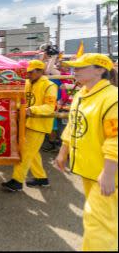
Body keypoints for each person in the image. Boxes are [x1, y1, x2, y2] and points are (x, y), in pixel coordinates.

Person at [55, 54, 117, 251]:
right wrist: (63, 152)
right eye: (74, 67)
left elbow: (115, 139)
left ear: (100, 70)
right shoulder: (82, 94)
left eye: (81, 67)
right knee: (106, 220)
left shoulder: (113, 98)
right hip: (89, 169)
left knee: (97, 224)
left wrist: (108, 173)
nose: (76, 70)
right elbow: (73, 126)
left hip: (108, 173)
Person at [2, 60, 57, 192]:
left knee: (25, 153)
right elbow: (21, 101)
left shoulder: (50, 86)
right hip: (25, 123)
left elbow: (50, 107)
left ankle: (17, 181)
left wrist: (31, 110)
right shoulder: (26, 83)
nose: (28, 75)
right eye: (27, 72)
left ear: (40, 71)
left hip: (38, 125)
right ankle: (41, 179)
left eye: (31, 72)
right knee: (32, 152)